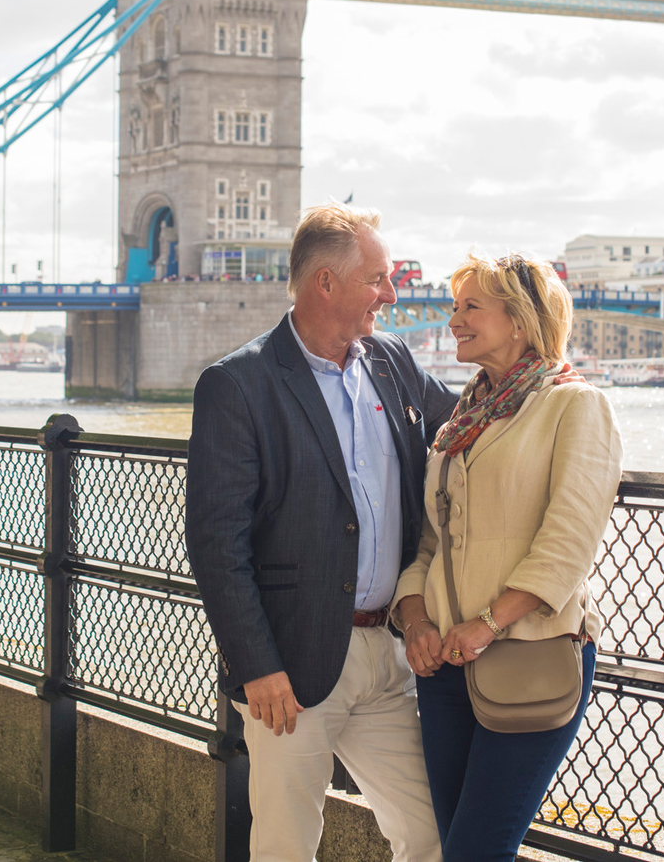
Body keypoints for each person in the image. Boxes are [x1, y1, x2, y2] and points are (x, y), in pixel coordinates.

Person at [185, 202, 459, 862]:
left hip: (385, 654)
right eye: (378, 278)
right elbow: (216, 545)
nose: (392, 294)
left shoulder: (393, 362)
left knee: (430, 833)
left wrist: (554, 394)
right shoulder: (238, 384)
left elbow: (470, 424)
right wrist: (258, 666)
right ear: (325, 284)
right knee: (285, 846)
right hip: (291, 663)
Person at [392, 251, 622, 862]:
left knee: (476, 852)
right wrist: (415, 623)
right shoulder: (463, 419)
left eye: (470, 306)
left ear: (519, 320)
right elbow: (429, 545)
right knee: (455, 848)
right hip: (443, 663)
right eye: (453, 306)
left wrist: (489, 623)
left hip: (528, 653)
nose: (453, 319)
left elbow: (569, 542)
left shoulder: (575, 407)